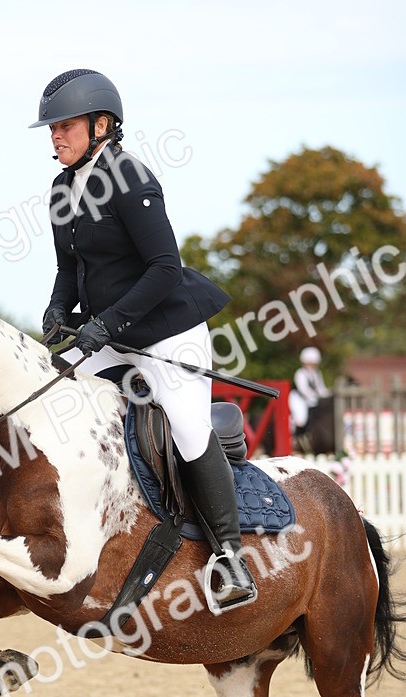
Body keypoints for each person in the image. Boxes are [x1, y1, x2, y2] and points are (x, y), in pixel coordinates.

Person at [30, 68, 257, 611]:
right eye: (52, 128)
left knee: (186, 427)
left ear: (102, 124)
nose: (55, 135)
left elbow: (163, 268)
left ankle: (229, 557)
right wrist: (59, 308)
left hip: (167, 331)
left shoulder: (132, 179)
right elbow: (70, 267)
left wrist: (105, 326)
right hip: (109, 332)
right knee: (59, 407)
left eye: (65, 125)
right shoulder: (63, 188)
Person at [289, 346, 329, 436]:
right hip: (299, 399)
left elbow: (321, 388)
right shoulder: (300, 373)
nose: (312, 366)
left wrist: (327, 395)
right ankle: (294, 436)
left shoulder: (317, 373)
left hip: (311, 400)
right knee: (301, 420)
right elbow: (303, 389)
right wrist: (315, 397)